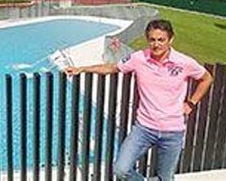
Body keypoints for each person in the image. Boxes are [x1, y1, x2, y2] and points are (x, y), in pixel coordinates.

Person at [65, 19, 213, 181]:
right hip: (144, 129)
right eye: (152, 40)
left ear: (170, 40)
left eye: (161, 40)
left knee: (166, 177)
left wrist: (191, 102)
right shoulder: (138, 58)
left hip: (173, 131)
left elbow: (206, 78)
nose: (156, 44)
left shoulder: (184, 62)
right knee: (121, 170)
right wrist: (83, 68)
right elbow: (112, 67)